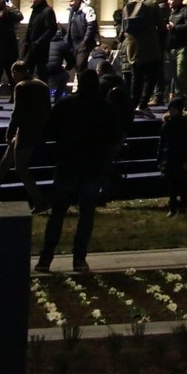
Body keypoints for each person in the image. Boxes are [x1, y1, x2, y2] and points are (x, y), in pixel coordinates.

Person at [37, 67, 121, 273]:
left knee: (58, 213)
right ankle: (79, 258)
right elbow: (114, 135)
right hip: (93, 166)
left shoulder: (66, 105)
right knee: (86, 214)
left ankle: (46, 258)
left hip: (68, 164)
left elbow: (48, 130)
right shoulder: (105, 107)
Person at [2, 61, 50, 211]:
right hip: (39, 129)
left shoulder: (21, 87)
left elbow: (17, 113)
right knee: (7, 159)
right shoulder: (42, 85)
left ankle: (40, 200)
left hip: (25, 131)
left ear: (16, 72)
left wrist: (9, 132)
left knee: (21, 168)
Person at [123, 0, 167, 109]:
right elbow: (162, 27)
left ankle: (133, 103)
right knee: (152, 75)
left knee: (136, 76)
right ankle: (143, 103)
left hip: (132, 46)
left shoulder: (130, 5)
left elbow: (123, 29)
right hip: (150, 45)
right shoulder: (153, 4)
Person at [156, 96, 187, 216]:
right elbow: (162, 143)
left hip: (180, 157)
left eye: (174, 109)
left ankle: (182, 205)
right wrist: (160, 159)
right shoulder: (167, 125)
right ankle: (172, 206)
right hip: (169, 157)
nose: (172, 111)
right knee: (172, 184)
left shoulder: (185, 125)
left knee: (182, 183)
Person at [23, 0, 57, 90]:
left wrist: (38, 42)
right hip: (31, 47)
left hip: (40, 48)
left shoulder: (47, 11)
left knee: (41, 73)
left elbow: (51, 30)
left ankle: (42, 95)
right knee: (28, 71)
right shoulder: (36, 10)